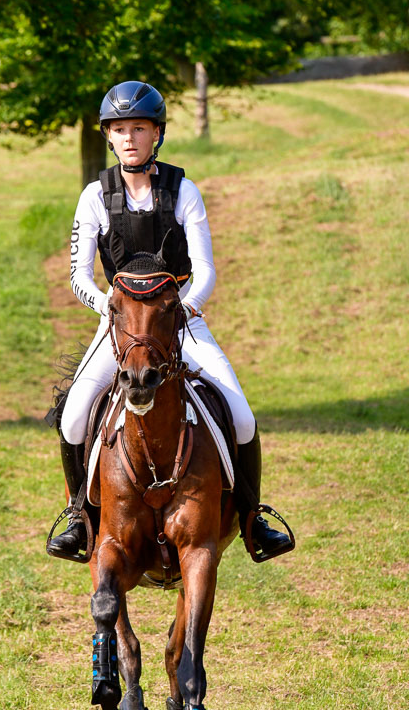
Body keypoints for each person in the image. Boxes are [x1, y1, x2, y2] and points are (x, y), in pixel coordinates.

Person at [47, 80, 291, 559]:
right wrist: (111, 310)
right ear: (109, 137)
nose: (130, 137)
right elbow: (78, 276)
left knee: (241, 415)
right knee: (75, 417)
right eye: (119, 129)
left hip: (181, 322)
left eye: (139, 127)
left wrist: (184, 309)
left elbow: (205, 271)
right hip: (118, 327)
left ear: (157, 133)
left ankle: (251, 519)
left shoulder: (184, 190)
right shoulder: (94, 195)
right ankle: (79, 516)